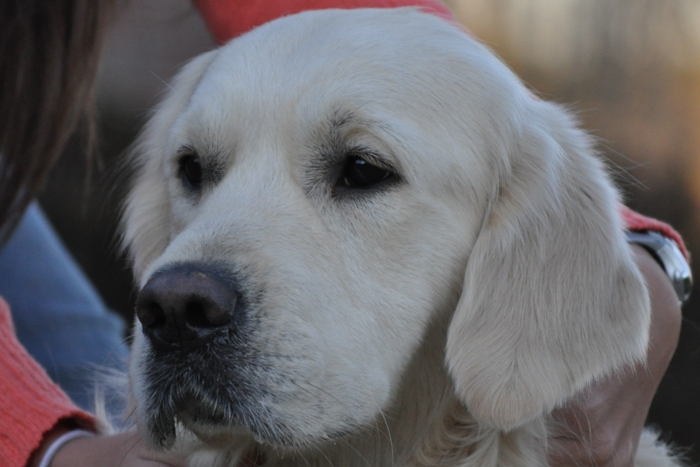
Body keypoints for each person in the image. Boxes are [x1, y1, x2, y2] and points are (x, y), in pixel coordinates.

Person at [0, 1, 688, 466]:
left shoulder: (527, 209)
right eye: (197, 171)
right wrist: (47, 447)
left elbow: (361, 35)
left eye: (360, 170)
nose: (178, 281)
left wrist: (628, 256)